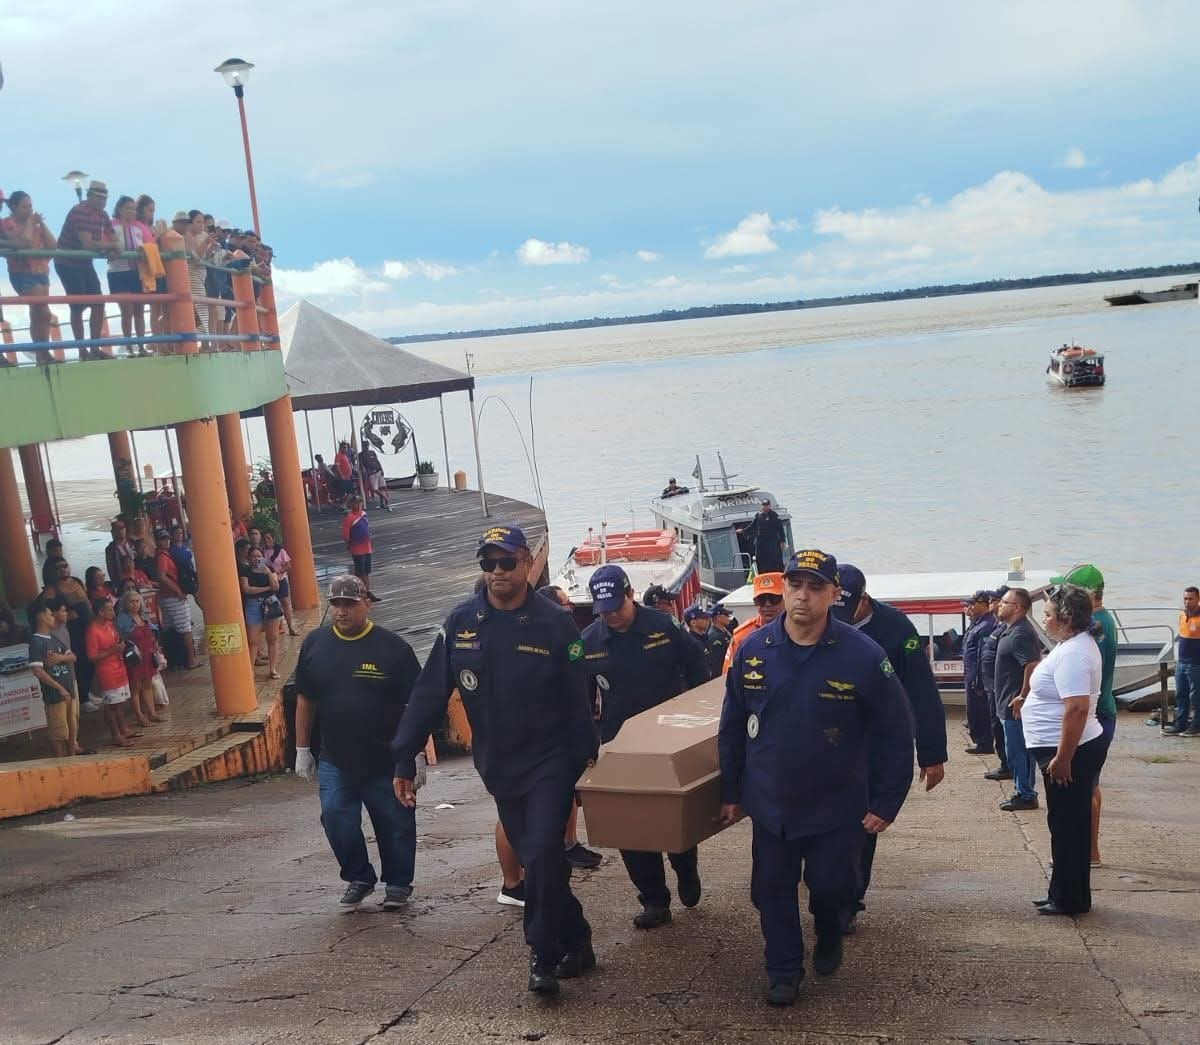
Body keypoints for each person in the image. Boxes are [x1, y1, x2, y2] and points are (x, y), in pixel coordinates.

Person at [391, 524, 599, 996]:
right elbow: (429, 692)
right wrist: (404, 756)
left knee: (544, 853)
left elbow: (577, 695)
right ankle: (579, 938)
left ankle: (543, 954)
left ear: (526, 563)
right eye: (489, 563)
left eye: (507, 562)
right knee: (537, 858)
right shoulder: (462, 622)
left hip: (551, 760)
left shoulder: (554, 623)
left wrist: (587, 757)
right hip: (499, 763)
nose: (498, 572)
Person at [718, 550, 914, 1006]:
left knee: (830, 889)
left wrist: (887, 801)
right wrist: (731, 791)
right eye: (795, 586)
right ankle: (783, 970)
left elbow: (895, 730)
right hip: (771, 801)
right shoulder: (752, 650)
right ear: (784, 588)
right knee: (770, 890)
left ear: (834, 594)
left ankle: (829, 931)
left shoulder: (863, 656)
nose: (803, 597)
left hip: (835, 802)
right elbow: (731, 727)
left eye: (815, 587)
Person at [581, 564, 709, 930]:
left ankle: (686, 868)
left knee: (672, 818)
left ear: (630, 595)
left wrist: (701, 713)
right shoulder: (589, 642)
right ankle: (654, 899)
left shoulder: (662, 626)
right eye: (603, 609)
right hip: (620, 744)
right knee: (631, 826)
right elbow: (581, 697)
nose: (611, 616)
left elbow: (696, 665)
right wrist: (588, 744)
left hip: (668, 738)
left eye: (616, 607)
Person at [293, 576, 422, 911]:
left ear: (368, 603)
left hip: (386, 757)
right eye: (335, 604)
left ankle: (397, 884)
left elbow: (416, 705)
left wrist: (417, 752)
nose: (341, 611)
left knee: (395, 822)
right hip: (335, 756)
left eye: (349, 603)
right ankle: (359, 876)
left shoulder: (394, 649)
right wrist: (302, 749)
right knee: (335, 816)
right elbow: (305, 699)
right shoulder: (315, 644)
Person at [831, 564, 946, 930]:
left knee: (864, 824)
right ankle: (828, 883)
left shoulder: (896, 629)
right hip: (829, 740)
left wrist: (931, 753)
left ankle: (850, 899)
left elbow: (922, 691)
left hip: (877, 742)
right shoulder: (816, 622)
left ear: (863, 599)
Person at [1024, 584, 1105, 916]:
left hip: (1073, 751)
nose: (1044, 620)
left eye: (1047, 614)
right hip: (1067, 749)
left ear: (1066, 617)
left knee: (1069, 825)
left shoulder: (1074, 653)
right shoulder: (1070, 646)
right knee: (1064, 823)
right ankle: (1063, 892)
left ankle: (1070, 899)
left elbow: (1077, 709)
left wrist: (1063, 758)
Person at [1053, 565, 1116, 863]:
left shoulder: (1096, 628)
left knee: (1084, 787)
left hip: (1096, 714)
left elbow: (1081, 692)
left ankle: (1088, 851)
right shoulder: (1101, 622)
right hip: (1101, 711)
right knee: (1091, 784)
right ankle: (1090, 850)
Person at [992, 588, 1042, 812]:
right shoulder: (1010, 630)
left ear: (1018, 608)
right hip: (1005, 701)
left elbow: (1031, 665)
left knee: (1019, 751)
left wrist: (1023, 696)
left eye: (1004, 602)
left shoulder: (1021, 632)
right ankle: (1023, 790)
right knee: (1015, 751)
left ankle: (1026, 794)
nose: (999, 605)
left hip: (1015, 704)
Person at [55, 180, 117, 349]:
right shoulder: (79, 212)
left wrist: (111, 247)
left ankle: (94, 347)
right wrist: (110, 247)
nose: (103, 201)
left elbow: (114, 240)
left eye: (105, 197)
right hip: (67, 262)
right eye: (99, 197)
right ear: (90, 196)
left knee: (98, 302)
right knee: (77, 305)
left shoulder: (102, 215)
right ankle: (82, 349)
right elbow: (88, 244)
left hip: (83, 262)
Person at [27, 597, 81, 758]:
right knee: (59, 733)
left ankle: (71, 758)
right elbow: (38, 670)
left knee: (72, 729)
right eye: (50, 614)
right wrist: (59, 688)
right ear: (41, 616)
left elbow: (73, 657)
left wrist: (59, 658)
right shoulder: (36, 642)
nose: (53, 618)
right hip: (55, 695)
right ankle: (61, 762)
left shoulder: (54, 638)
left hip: (68, 689)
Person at [2, 190, 57, 345]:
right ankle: (42, 349)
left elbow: (53, 246)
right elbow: (24, 242)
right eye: (25, 207)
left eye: (31, 206)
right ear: (13, 207)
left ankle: (42, 352)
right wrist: (30, 223)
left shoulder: (34, 224)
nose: (30, 210)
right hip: (23, 273)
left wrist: (42, 224)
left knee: (38, 313)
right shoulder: (6, 223)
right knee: (44, 313)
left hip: (42, 271)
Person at [86, 597, 139, 747]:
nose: (112, 612)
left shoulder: (110, 625)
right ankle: (116, 735)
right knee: (111, 705)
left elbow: (117, 640)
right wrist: (112, 650)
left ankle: (124, 729)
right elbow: (92, 656)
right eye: (109, 610)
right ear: (100, 612)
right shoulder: (93, 631)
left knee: (119, 702)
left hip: (119, 667)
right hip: (107, 671)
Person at [116, 589, 167, 727]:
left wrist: (156, 647)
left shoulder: (144, 616)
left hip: (148, 654)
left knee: (148, 684)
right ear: (125, 603)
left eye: (137, 601)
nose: (135, 604)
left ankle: (152, 712)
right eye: (131, 602)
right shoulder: (122, 619)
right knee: (136, 687)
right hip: (135, 657)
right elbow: (123, 638)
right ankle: (139, 715)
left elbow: (152, 632)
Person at [107, 195, 148, 353]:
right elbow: (108, 246)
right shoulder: (112, 226)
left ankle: (141, 345)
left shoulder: (139, 227)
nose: (131, 212)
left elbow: (147, 245)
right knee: (126, 310)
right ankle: (129, 345)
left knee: (139, 310)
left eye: (134, 209)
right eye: (128, 208)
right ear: (119, 209)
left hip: (137, 272)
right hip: (118, 272)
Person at [722, 572, 786, 672]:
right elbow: (727, 677)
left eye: (774, 599)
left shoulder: (802, 630)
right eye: (761, 600)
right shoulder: (742, 636)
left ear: (786, 598)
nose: (767, 604)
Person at [156, 528, 200, 670]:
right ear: (158, 541)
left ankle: (175, 659)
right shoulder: (163, 557)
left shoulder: (165, 555)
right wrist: (178, 591)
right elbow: (162, 576)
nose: (167, 541)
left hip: (168, 597)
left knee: (172, 628)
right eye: (163, 539)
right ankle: (191, 660)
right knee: (185, 628)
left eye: (167, 538)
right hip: (173, 597)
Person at [980, 588, 1012, 781]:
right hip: (992, 686)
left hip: (1002, 689)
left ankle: (1008, 766)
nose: (994, 604)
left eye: (997, 600)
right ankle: (1004, 763)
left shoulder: (1009, 629)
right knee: (996, 728)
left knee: (1003, 730)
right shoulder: (998, 627)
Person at [962, 590, 998, 755]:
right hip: (971, 675)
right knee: (974, 711)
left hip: (978, 677)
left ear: (984, 605)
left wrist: (978, 680)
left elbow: (981, 655)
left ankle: (985, 743)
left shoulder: (987, 625)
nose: (969, 607)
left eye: (973, 603)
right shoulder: (978, 624)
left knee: (981, 712)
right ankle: (980, 741)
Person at [239, 546, 282, 679]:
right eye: (253, 556)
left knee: (272, 638)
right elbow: (247, 589)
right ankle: (250, 669)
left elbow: (276, 587)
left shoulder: (269, 568)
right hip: (253, 604)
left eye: (259, 556)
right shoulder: (245, 570)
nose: (257, 559)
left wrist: (268, 573)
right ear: (249, 558)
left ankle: (273, 668)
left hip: (270, 602)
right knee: (253, 640)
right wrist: (267, 588)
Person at [1163, 585, 1200, 736]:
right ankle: (1181, 724)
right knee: (1181, 695)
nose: (1187, 602)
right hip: (1182, 662)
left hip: (1196, 663)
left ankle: (1196, 726)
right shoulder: (1182, 616)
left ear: (1198, 599)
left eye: (1191, 599)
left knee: (1196, 696)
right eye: (1185, 598)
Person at [342, 494, 379, 602]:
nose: (358, 505)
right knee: (360, 572)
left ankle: (367, 592)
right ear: (351, 505)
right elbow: (345, 535)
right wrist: (350, 544)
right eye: (356, 503)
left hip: (367, 547)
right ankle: (359, 592)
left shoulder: (364, 514)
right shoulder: (350, 518)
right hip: (357, 549)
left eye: (359, 502)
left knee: (366, 572)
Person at [263, 530, 300, 637]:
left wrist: (279, 571)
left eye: (269, 538)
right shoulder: (262, 551)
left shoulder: (281, 551)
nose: (267, 540)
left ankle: (290, 627)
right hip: (269, 582)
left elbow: (288, 565)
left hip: (281, 579)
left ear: (273, 539)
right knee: (272, 604)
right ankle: (277, 628)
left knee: (285, 602)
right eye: (265, 538)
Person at [736, 499, 787, 575]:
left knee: (775, 560)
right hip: (761, 543)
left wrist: (782, 542)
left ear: (769, 506)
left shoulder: (775, 517)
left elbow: (781, 531)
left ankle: (778, 574)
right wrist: (743, 530)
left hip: (772, 542)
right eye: (763, 505)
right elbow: (752, 526)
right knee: (760, 560)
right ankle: (762, 575)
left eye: (766, 505)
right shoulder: (758, 516)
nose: (765, 507)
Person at [684, 604, 728, 679]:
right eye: (704, 618)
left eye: (708, 617)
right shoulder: (689, 643)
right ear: (693, 623)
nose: (708, 620)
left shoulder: (706, 638)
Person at [105, 518, 135, 588]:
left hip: (136, 579)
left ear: (125, 529)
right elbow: (111, 570)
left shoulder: (132, 543)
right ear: (113, 532)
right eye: (117, 529)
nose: (120, 531)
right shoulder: (110, 549)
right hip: (122, 583)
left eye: (122, 528)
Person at [358, 445, 390, 512]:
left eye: (367, 445)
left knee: (382, 487)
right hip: (371, 473)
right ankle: (385, 498)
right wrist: (364, 472)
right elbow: (361, 464)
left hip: (378, 470)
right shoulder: (361, 455)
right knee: (374, 489)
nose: (366, 447)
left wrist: (382, 469)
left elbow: (377, 461)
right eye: (364, 445)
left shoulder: (372, 452)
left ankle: (382, 503)